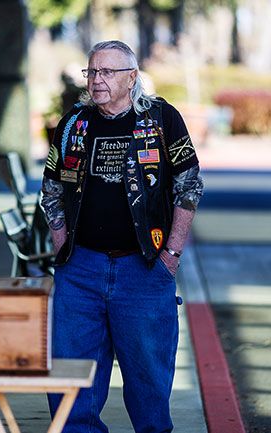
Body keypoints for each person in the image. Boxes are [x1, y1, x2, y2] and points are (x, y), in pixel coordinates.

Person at [40, 40, 203, 432]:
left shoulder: (163, 119)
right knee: (70, 380)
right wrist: (64, 248)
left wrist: (172, 254)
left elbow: (189, 187)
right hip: (81, 270)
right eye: (92, 72)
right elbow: (51, 191)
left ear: (132, 77)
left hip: (144, 269)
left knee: (148, 383)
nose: (97, 80)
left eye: (107, 72)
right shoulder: (73, 124)